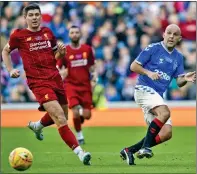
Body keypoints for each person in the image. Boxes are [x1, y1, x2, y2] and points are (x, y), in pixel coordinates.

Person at [2, 3, 91, 165]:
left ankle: (38, 125)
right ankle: (80, 152)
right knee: (60, 118)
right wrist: (10, 70)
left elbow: (54, 56)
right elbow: (5, 51)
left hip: (55, 78)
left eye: (37, 14)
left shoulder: (48, 33)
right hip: (38, 82)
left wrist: (61, 53)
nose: (34, 17)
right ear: (25, 18)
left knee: (63, 114)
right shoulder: (19, 35)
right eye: (31, 15)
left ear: (41, 16)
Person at [120, 24, 196, 165]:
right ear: (164, 34)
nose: (171, 36)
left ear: (179, 38)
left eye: (175, 34)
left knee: (166, 133)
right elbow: (133, 66)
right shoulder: (153, 48)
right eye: (169, 33)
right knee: (165, 112)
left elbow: (178, 81)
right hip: (144, 89)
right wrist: (148, 73)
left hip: (157, 96)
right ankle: (146, 148)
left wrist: (185, 78)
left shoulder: (178, 57)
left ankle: (129, 150)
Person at [56, 25, 97, 145]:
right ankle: (79, 136)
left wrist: (95, 78)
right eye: (72, 32)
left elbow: (92, 66)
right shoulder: (65, 50)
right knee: (74, 110)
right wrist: (61, 73)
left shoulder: (87, 49)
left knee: (87, 115)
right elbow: (58, 67)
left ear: (80, 34)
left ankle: (81, 116)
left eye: (76, 32)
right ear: (69, 35)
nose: (74, 34)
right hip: (71, 85)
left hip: (85, 86)